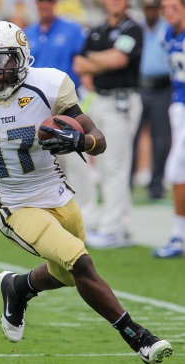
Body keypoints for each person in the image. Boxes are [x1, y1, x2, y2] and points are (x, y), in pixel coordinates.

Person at [0, 21, 172, 364]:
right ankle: (139, 337)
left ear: (22, 58)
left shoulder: (49, 85)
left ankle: (19, 287)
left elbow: (98, 137)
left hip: (58, 194)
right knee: (79, 262)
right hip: (14, 205)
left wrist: (81, 141)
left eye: (3, 59)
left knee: (67, 272)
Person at [73, 0, 143, 249]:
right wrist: (101, 60)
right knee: (104, 166)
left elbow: (118, 60)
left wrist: (95, 59)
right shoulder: (97, 29)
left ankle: (112, 228)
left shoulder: (132, 28)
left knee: (114, 165)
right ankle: (122, 226)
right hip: (100, 100)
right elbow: (79, 64)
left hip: (121, 101)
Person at [153, 0, 185, 257]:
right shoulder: (166, 33)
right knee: (177, 169)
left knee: (176, 167)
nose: (168, 13)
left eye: (174, 7)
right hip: (179, 106)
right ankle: (178, 235)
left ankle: (178, 235)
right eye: (165, 8)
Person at [131, 0, 171, 200]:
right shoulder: (136, 28)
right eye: (147, 8)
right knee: (132, 136)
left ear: (159, 9)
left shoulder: (168, 27)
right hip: (139, 87)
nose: (150, 11)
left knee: (160, 138)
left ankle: (156, 186)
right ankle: (127, 183)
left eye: (154, 8)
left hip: (163, 88)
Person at [24, 0, 86, 88]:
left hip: (65, 93)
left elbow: (82, 63)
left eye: (49, 1)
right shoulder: (26, 33)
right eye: (41, 1)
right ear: (36, 3)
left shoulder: (73, 30)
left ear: (56, 3)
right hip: (36, 93)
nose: (45, 5)